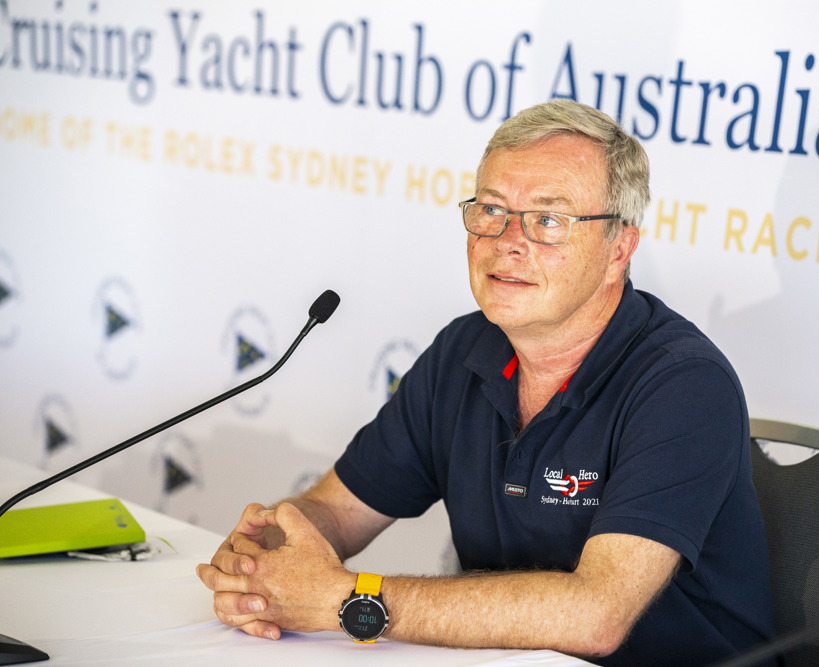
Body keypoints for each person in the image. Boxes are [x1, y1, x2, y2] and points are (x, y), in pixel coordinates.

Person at [197, 99, 775, 666]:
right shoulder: (464, 350)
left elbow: (596, 616)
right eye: (491, 210)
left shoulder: (683, 386)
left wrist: (348, 599)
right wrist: (264, 561)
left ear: (618, 248)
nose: (508, 241)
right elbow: (337, 511)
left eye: (548, 220)